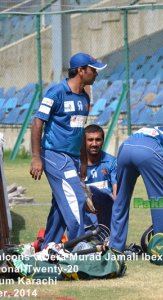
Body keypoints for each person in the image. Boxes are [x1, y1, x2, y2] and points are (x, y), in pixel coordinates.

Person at [30, 53, 107, 249]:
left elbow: (79, 131)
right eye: (93, 69)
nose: (96, 73)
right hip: (54, 155)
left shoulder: (84, 97)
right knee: (77, 197)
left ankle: (48, 246)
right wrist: (36, 157)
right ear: (81, 71)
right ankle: (79, 244)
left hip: (72, 158)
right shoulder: (56, 92)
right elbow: (38, 123)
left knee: (60, 204)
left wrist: (83, 162)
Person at [83, 124, 117, 229]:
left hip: (106, 211)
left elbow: (117, 195)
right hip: (84, 211)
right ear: (83, 142)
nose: (94, 144)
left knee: (105, 193)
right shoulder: (76, 163)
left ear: (103, 141)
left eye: (98, 140)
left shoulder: (112, 162)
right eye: (90, 140)